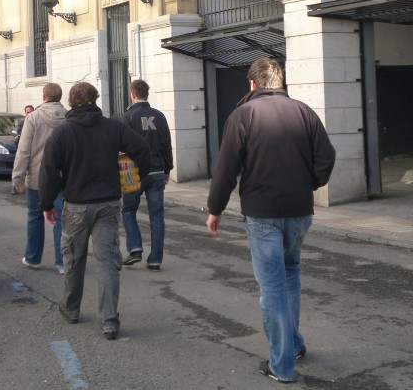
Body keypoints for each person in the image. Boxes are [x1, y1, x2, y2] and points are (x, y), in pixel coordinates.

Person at [205, 58, 336, 383]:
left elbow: (226, 169)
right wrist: (311, 184)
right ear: (280, 82)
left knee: (273, 286)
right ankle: (293, 344)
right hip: (300, 211)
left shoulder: (243, 115)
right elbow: (327, 157)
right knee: (290, 275)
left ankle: (281, 365)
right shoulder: (304, 112)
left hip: (262, 212)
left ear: (253, 84)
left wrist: (215, 208)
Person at [40, 81, 150, 340]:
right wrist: (139, 178)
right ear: (96, 99)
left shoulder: (62, 133)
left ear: (71, 102)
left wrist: (47, 204)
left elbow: (49, 171)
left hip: (76, 205)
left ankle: (71, 309)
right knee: (108, 263)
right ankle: (109, 321)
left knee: (74, 259)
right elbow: (142, 150)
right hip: (108, 204)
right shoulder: (113, 127)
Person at [120, 79, 173, 271]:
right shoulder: (159, 116)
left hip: (134, 172)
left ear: (132, 94)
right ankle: (155, 259)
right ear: (147, 94)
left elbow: (122, 147)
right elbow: (166, 144)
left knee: (128, 210)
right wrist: (167, 169)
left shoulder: (128, 116)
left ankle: (135, 247)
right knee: (157, 216)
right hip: (157, 170)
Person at [12, 85, 67, 274]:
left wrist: (18, 177)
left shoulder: (33, 118)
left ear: (44, 97)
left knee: (35, 216)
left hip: (37, 176)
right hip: (61, 176)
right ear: (60, 97)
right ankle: (62, 262)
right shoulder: (68, 118)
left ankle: (33, 258)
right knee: (61, 218)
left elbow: (24, 150)